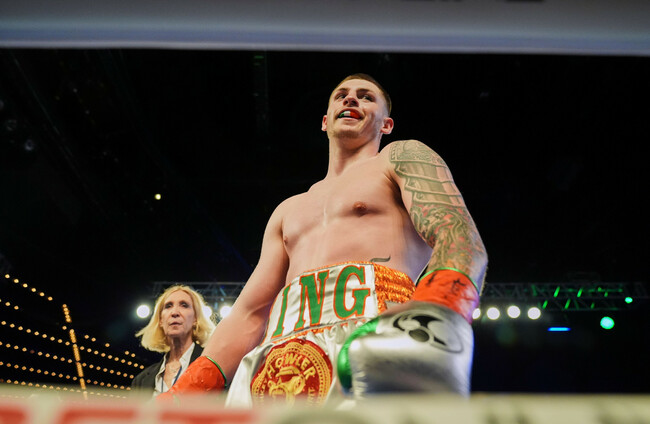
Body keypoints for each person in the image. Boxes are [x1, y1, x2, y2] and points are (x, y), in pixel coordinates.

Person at [160, 73, 488, 406]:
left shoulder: (400, 158)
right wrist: (184, 393)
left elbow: (457, 234)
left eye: (366, 96)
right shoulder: (288, 209)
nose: (351, 99)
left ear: (386, 125)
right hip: (278, 358)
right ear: (324, 121)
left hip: (374, 334)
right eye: (341, 95)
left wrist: (435, 314)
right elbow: (249, 313)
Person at [131, 284, 216, 397]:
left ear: (195, 319)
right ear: (161, 320)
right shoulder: (140, 381)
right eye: (168, 306)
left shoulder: (211, 366)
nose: (174, 312)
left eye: (184, 305)